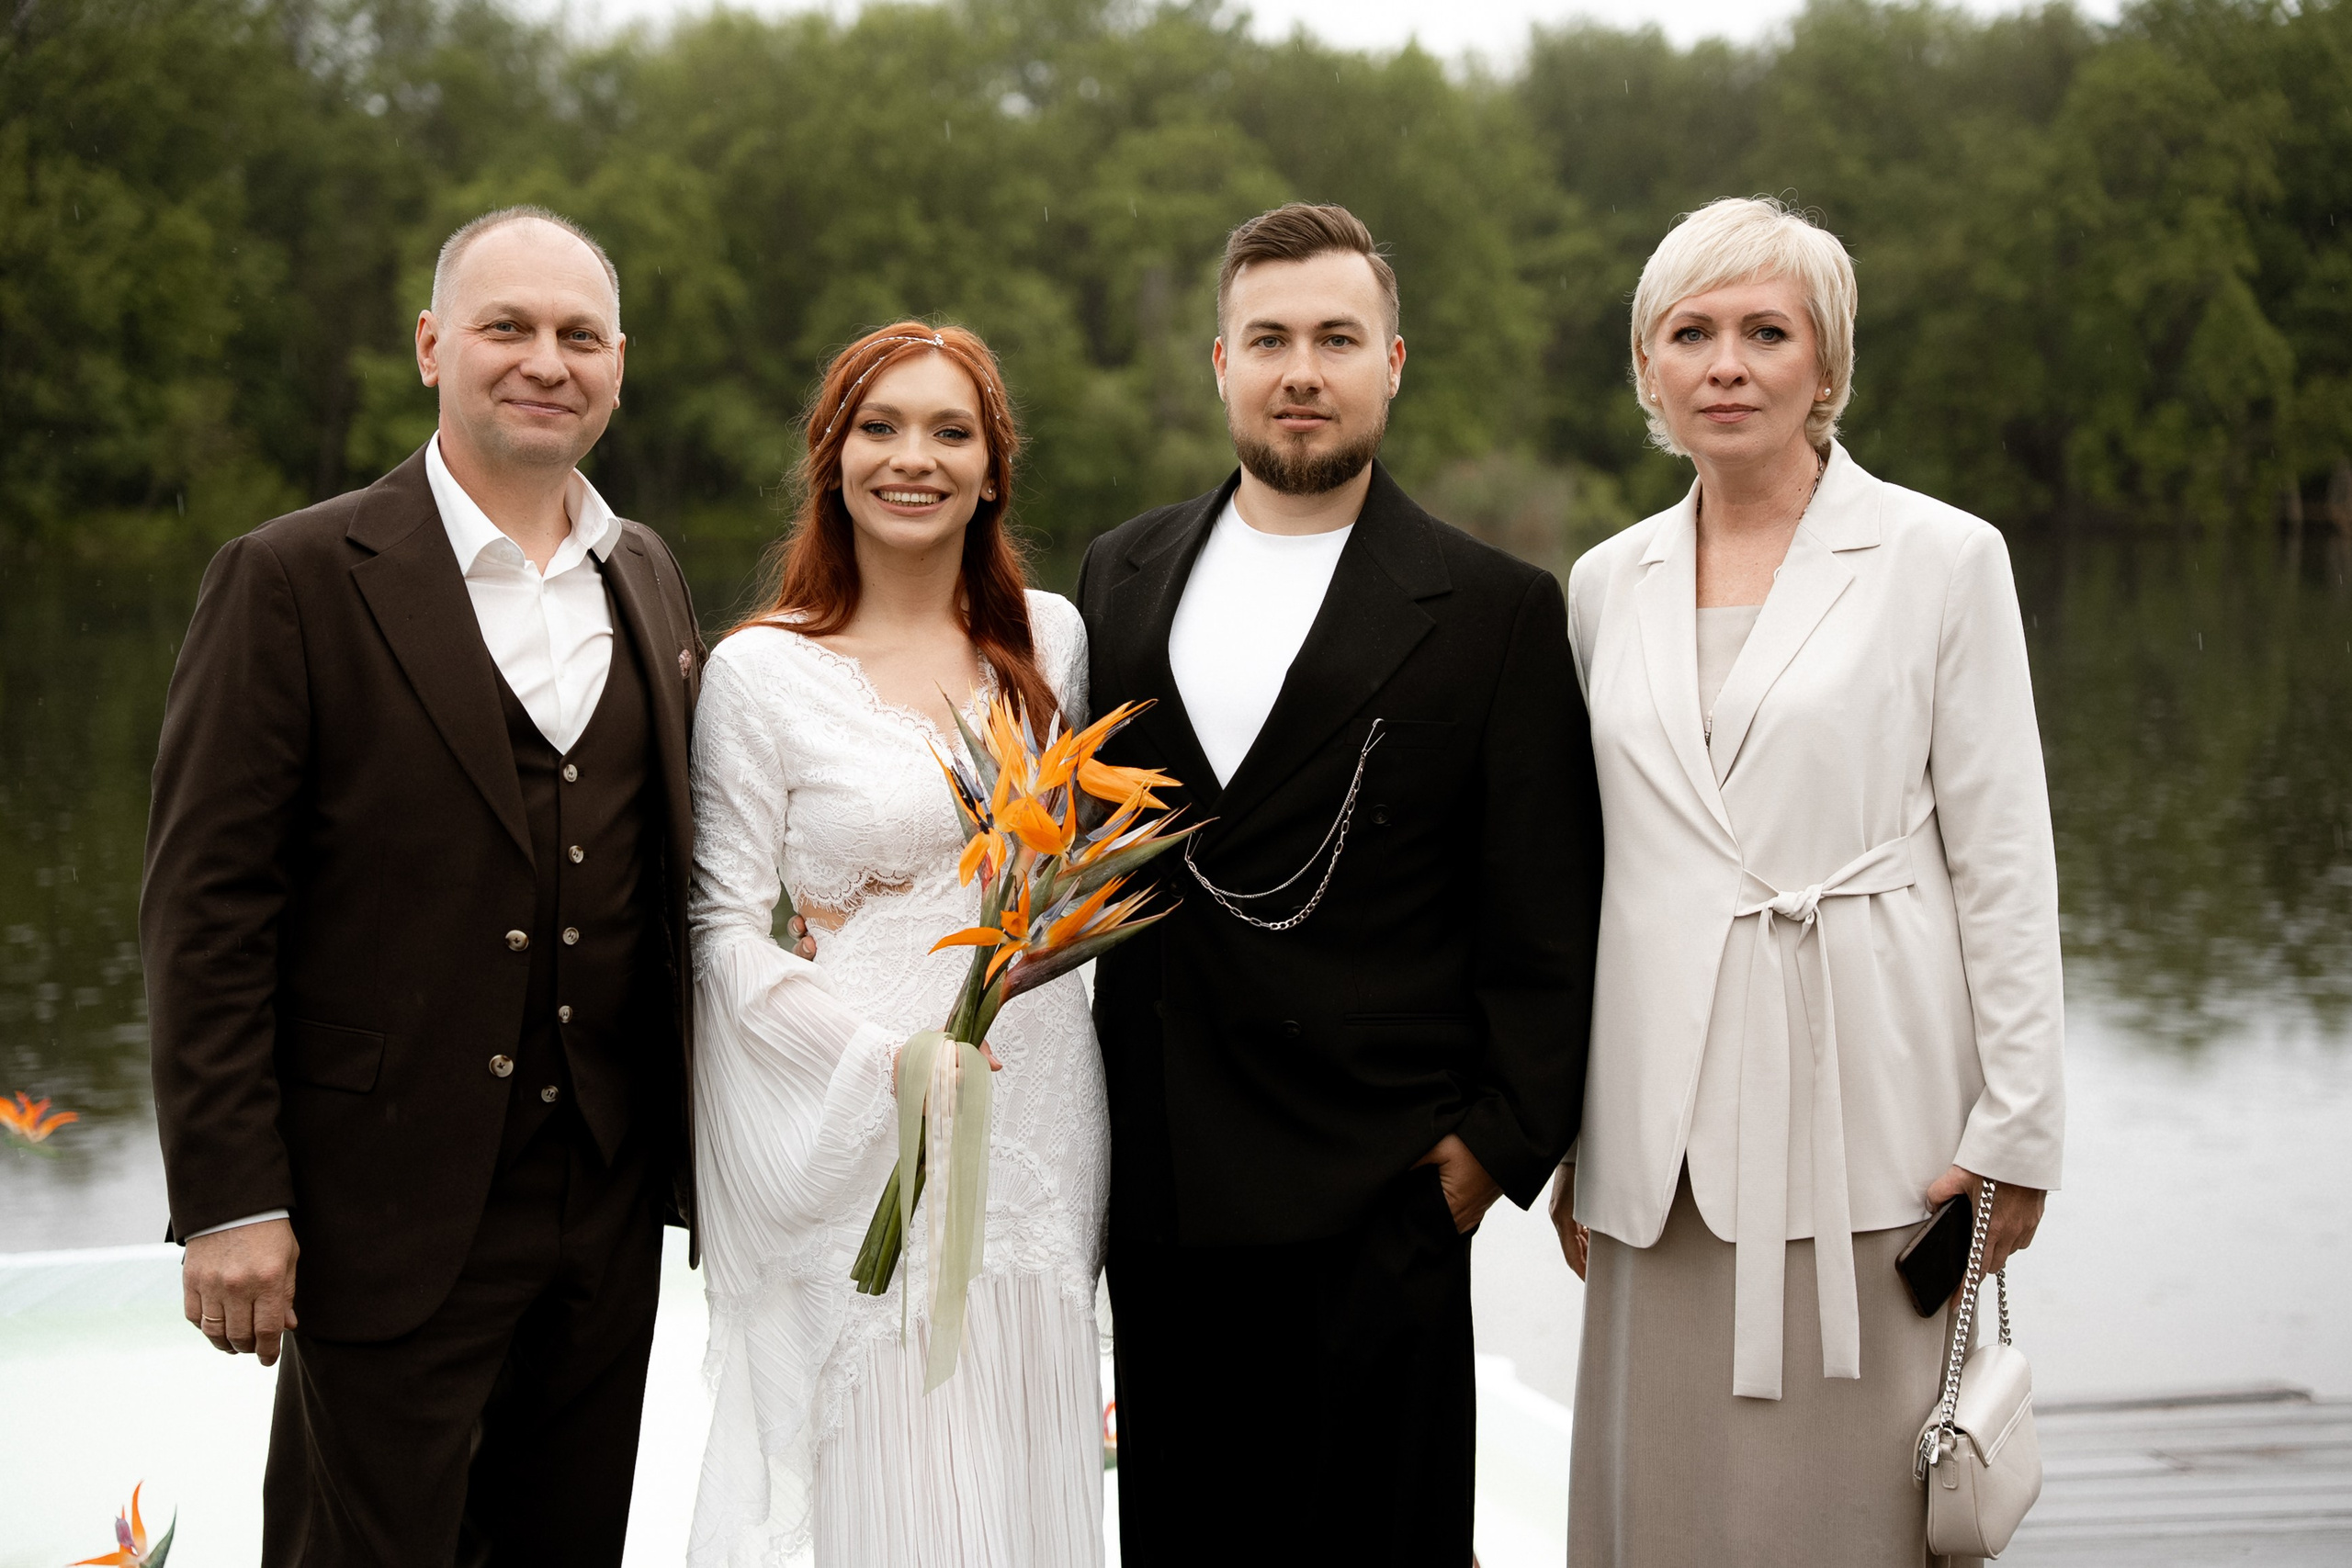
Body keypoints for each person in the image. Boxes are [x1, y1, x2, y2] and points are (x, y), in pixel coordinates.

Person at [141, 206, 702, 1563]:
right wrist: (230, 1196)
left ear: (618, 364)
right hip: (377, 1202)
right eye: (508, 327)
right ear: (431, 344)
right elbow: (206, 911)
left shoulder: (648, 575)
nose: (544, 361)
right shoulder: (289, 576)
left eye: (579, 335)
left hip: (606, 1206)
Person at [1074, 202, 1605, 1565]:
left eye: (1334, 338)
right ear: (1221, 365)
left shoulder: (1493, 610)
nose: (1300, 370)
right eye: (1269, 340)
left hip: (1379, 1203)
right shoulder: (1118, 575)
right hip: (1167, 1193)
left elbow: (1546, 921)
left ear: (1393, 362)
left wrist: (1491, 1157)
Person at [1554, 196, 2067, 1565]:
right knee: (1658, 1505)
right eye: (1693, 332)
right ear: (1651, 371)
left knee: (1848, 1509)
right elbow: (1594, 868)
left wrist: (2018, 1128)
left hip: (1873, 1114)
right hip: (1652, 1132)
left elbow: (2005, 856)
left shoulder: (1943, 560)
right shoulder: (1606, 583)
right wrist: (1568, 1127)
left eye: (1766, 332)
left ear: (1825, 368)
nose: (1727, 362)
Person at [684, 322, 1105, 1567]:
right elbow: (719, 927)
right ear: (833, 455)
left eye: (949, 432)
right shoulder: (762, 675)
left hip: (1037, 1100)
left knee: (1014, 1429)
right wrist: (883, 1058)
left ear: (993, 470)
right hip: (855, 1108)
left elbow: (1060, 881)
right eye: (880, 427)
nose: (910, 458)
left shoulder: (1056, 643)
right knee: (877, 1444)